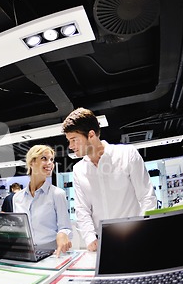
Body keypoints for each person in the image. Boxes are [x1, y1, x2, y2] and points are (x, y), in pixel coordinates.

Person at [62, 107, 157, 251]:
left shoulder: (127, 154)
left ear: (91, 135)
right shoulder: (78, 169)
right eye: (69, 141)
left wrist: (143, 231)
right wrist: (90, 238)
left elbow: (147, 197)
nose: (71, 146)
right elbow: (82, 209)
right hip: (102, 245)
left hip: (135, 238)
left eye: (74, 140)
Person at [13, 145, 72, 257]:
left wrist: (63, 233)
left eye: (51, 160)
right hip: (25, 253)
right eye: (44, 158)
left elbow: (65, 227)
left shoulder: (57, 194)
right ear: (31, 162)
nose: (49, 163)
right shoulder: (17, 198)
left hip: (51, 254)